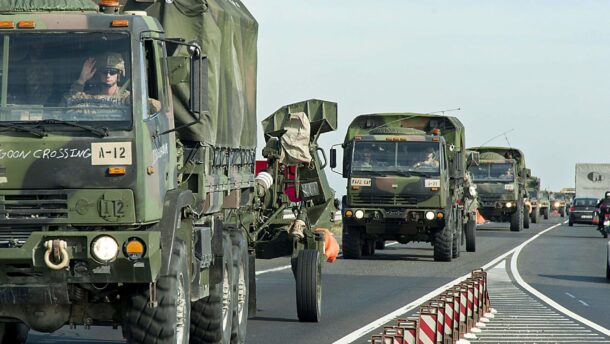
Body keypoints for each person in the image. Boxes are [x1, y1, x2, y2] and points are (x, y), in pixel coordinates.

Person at [66, 52, 161, 113]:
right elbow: (67, 104)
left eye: (112, 72)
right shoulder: (88, 96)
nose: (108, 75)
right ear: (98, 74)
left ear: (118, 75)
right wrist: (81, 80)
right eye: (104, 71)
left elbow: (155, 106)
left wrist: (147, 103)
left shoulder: (127, 97)